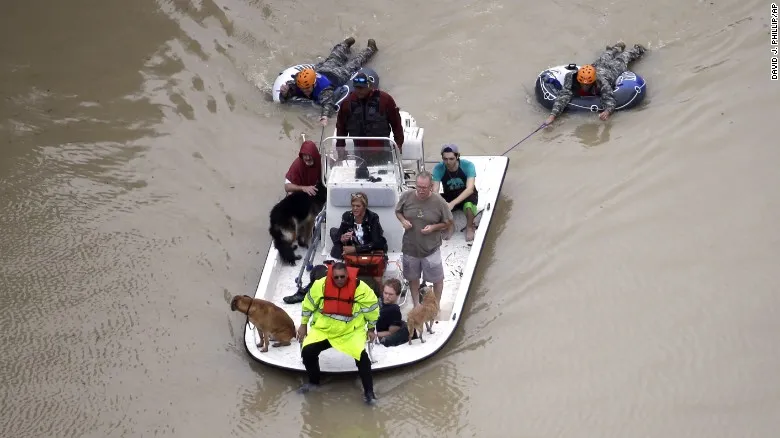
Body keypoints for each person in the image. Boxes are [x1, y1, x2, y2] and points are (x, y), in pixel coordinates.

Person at [297, 262, 379, 404]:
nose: (340, 280)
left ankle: (369, 393)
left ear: (347, 275)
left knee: (362, 358)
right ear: (331, 276)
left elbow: (372, 309)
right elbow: (308, 304)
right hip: (325, 330)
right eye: (336, 277)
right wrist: (303, 324)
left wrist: (371, 329)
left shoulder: (361, 289)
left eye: (342, 277)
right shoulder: (320, 285)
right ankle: (313, 383)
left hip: (350, 331)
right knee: (308, 351)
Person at [279, 38, 378, 127]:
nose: (305, 91)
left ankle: (371, 49)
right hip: (324, 69)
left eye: (308, 88)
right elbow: (290, 89)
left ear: (314, 84)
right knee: (334, 57)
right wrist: (285, 93)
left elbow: (328, 104)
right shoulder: (300, 83)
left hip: (337, 76)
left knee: (355, 63)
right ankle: (345, 45)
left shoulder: (324, 90)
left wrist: (324, 117)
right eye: (303, 89)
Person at [545, 42, 647, 124]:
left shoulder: (601, 82)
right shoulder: (571, 77)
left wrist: (607, 112)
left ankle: (637, 49)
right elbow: (564, 95)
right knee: (605, 55)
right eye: (583, 83)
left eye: (588, 84)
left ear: (593, 81)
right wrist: (552, 116)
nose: (585, 86)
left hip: (611, 70)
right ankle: (616, 48)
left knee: (623, 58)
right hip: (597, 66)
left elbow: (609, 99)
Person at [395, 171, 453, 308]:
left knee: (437, 279)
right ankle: (416, 304)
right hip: (410, 247)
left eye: (424, 187)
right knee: (413, 278)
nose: (420, 190)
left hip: (431, 249)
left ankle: (436, 305)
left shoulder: (439, 202)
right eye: (418, 187)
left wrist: (434, 227)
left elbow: (449, 222)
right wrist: (403, 220)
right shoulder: (406, 196)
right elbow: (398, 211)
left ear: (431, 186)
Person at [335, 72, 404, 164]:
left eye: (362, 88)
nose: (359, 90)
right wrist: (341, 147)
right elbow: (341, 127)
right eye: (356, 88)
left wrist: (398, 144)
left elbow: (396, 124)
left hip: (382, 151)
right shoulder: (347, 103)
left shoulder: (385, 100)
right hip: (359, 152)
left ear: (370, 86)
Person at [432, 144, 478, 243]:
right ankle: (450, 225)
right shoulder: (438, 168)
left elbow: (470, 189)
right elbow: (435, 191)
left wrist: (452, 204)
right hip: (450, 194)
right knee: (434, 202)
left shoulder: (468, 165)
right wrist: (444, 204)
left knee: (469, 206)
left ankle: (470, 227)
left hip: (466, 193)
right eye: (445, 159)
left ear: (457, 156)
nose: (448, 162)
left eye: (451, 159)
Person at [376, 279, 411, 347]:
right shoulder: (380, 300)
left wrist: (374, 334)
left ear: (397, 295)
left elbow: (391, 332)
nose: (387, 296)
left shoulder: (394, 310)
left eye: (391, 294)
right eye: (385, 293)